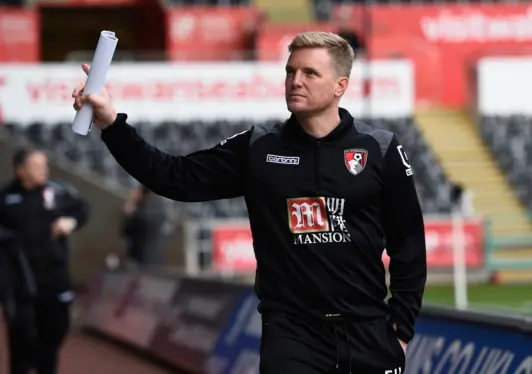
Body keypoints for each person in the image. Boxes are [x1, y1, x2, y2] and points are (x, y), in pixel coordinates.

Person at [72, 31, 427, 373]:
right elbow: (173, 177)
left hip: (368, 332)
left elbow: (408, 241)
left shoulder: (379, 149)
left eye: (309, 73)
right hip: (293, 336)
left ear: (340, 86)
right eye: (290, 71)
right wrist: (112, 125)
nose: (295, 81)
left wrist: (402, 326)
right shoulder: (259, 147)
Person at [0, 147, 90, 374]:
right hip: (21, 283)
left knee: (53, 338)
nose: (43, 170)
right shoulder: (6, 198)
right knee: (22, 342)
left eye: (45, 165)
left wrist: (69, 222)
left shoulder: (57, 192)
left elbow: (82, 209)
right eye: (36, 166)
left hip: (54, 279)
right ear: (20, 170)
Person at [121, 185, 168, 267]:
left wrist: (130, 212)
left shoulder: (155, 207)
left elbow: (142, 222)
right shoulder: (141, 207)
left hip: (147, 256)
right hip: (140, 255)